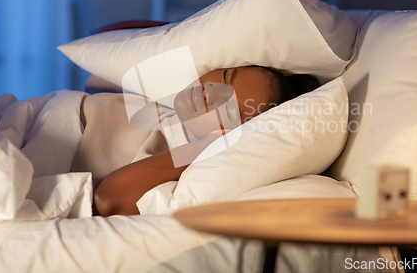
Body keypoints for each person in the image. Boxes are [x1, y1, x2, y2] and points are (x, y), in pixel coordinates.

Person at [83, 65, 319, 216]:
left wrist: (206, 145)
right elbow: (94, 79)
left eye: (229, 110)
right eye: (227, 76)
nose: (209, 92)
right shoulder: (168, 104)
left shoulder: (183, 161)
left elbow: (106, 199)